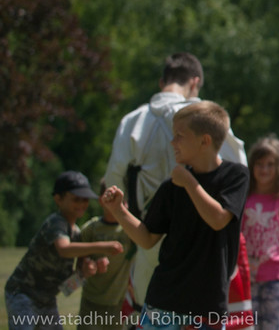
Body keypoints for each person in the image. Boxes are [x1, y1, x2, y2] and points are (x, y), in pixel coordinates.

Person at [103, 52, 247, 307]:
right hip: (196, 261)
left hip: (159, 249)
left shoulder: (131, 122)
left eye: (179, 137)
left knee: (144, 306)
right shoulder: (203, 118)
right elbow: (234, 164)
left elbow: (114, 177)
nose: (174, 143)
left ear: (162, 82)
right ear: (195, 83)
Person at [5, 171, 124, 330]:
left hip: (47, 300)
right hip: (23, 294)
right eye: (76, 199)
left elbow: (66, 288)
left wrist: (86, 272)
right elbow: (64, 249)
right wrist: (103, 245)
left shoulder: (76, 234)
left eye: (85, 199)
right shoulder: (55, 223)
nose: (81, 203)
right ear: (58, 199)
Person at [241, 135, 279, 330]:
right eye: (259, 164)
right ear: (252, 166)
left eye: (270, 164)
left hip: (277, 276)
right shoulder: (243, 196)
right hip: (245, 275)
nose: (264, 169)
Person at [78, 181, 135, 330]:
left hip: (117, 305)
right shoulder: (90, 229)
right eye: (111, 197)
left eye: (121, 198)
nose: (117, 202)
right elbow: (78, 269)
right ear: (101, 200)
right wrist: (90, 266)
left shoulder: (131, 230)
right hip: (91, 303)